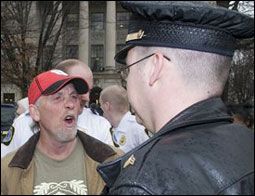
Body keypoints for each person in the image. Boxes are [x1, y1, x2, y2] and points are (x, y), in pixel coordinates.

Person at [97, 1, 254, 195]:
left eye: (128, 70)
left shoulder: (143, 182)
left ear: (155, 67)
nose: (127, 82)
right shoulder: (247, 142)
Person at [1, 69, 122, 195]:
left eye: (74, 97)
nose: (71, 104)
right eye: (58, 98)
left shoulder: (113, 162)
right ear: (35, 112)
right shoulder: (9, 171)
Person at [1, 59, 113, 158]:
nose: (87, 98)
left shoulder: (99, 125)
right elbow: (6, 166)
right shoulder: (23, 124)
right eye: (58, 97)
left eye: (89, 90)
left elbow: (111, 168)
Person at [99, 85, 149, 153]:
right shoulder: (108, 129)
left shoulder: (137, 127)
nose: (100, 108)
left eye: (101, 105)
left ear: (107, 106)